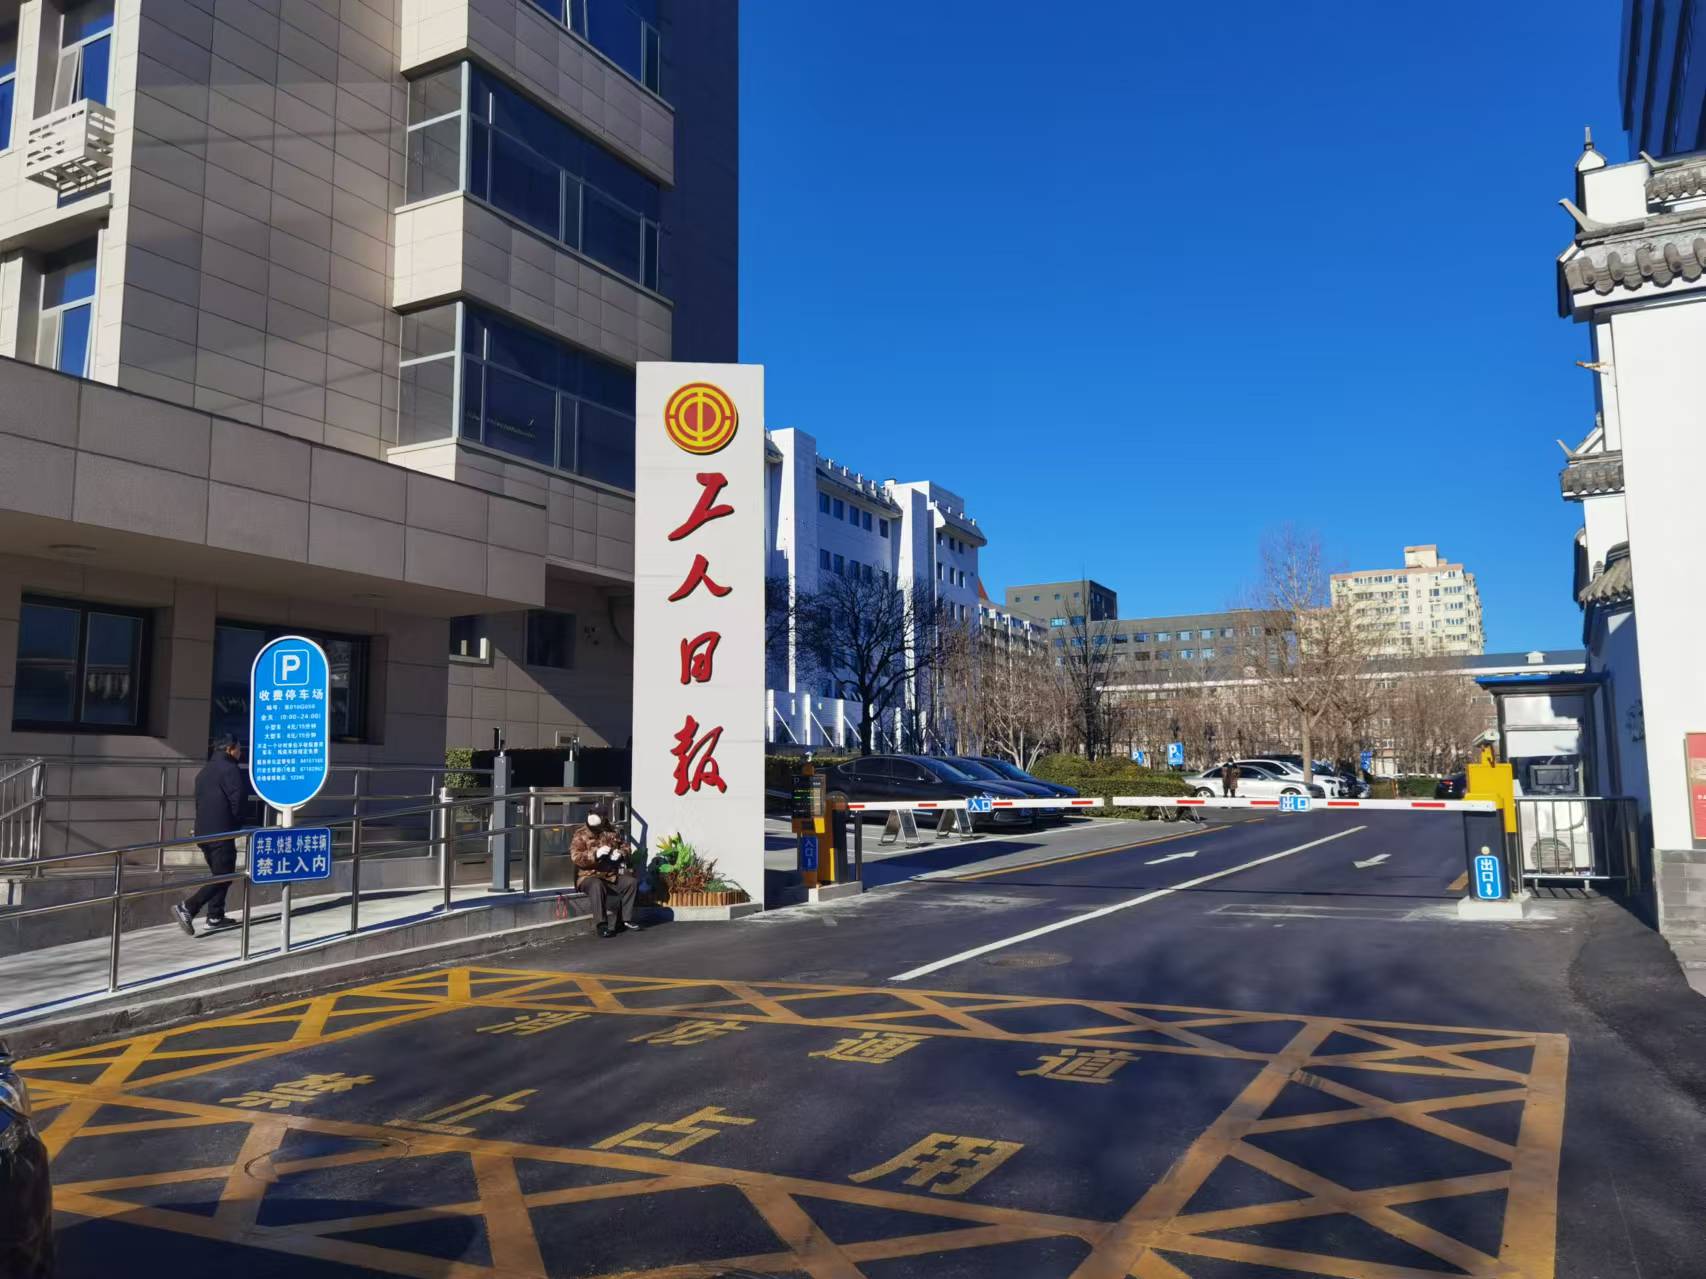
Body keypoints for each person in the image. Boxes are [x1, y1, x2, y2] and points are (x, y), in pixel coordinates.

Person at [174, 735, 247, 936]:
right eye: (239, 748)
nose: (240, 752)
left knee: (219, 874)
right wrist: (237, 822)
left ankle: (215, 916)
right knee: (224, 875)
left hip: (203, 833)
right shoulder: (230, 769)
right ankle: (188, 907)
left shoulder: (204, 772)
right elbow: (238, 799)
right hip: (221, 832)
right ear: (230, 749)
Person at [571, 809, 640, 938]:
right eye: (593, 814)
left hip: (608, 875)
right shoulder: (580, 834)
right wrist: (595, 854)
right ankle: (601, 924)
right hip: (588, 876)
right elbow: (576, 857)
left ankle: (624, 920)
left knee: (631, 883)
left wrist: (620, 853)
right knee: (596, 885)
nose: (596, 817)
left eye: (600, 815)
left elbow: (626, 847)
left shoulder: (610, 831)